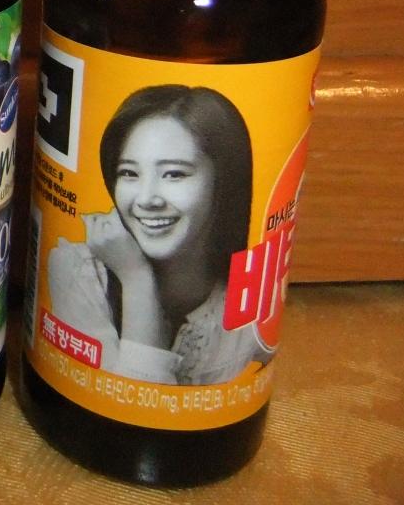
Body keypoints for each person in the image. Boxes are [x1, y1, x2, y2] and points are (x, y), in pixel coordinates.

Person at [46, 85, 269, 385]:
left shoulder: (248, 296)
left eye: (174, 174)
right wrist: (136, 279)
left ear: (223, 182)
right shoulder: (78, 270)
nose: (146, 199)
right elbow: (127, 403)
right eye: (129, 173)